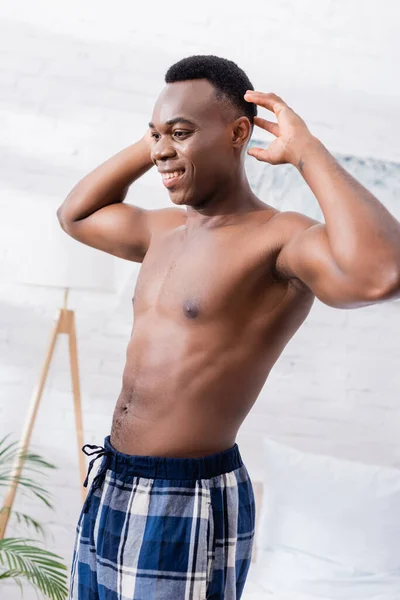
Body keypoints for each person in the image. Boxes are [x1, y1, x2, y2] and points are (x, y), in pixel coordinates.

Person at [57, 54, 400, 599]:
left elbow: (381, 273)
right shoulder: (161, 230)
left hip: (185, 500)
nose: (162, 150)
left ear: (239, 132)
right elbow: (74, 215)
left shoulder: (281, 239)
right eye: (156, 134)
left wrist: (307, 152)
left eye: (183, 132)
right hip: (112, 479)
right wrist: (162, 139)